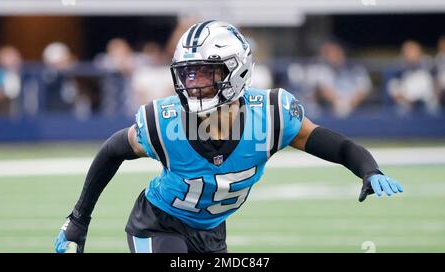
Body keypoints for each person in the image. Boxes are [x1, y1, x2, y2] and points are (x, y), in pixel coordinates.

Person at [54, 21, 404, 253]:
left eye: (205, 72)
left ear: (237, 70)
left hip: (212, 232)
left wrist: (367, 169)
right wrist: (78, 220)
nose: (194, 83)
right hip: (157, 225)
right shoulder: (166, 122)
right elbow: (113, 149)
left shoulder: (272, 116)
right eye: (188, 75)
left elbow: (336, 144)